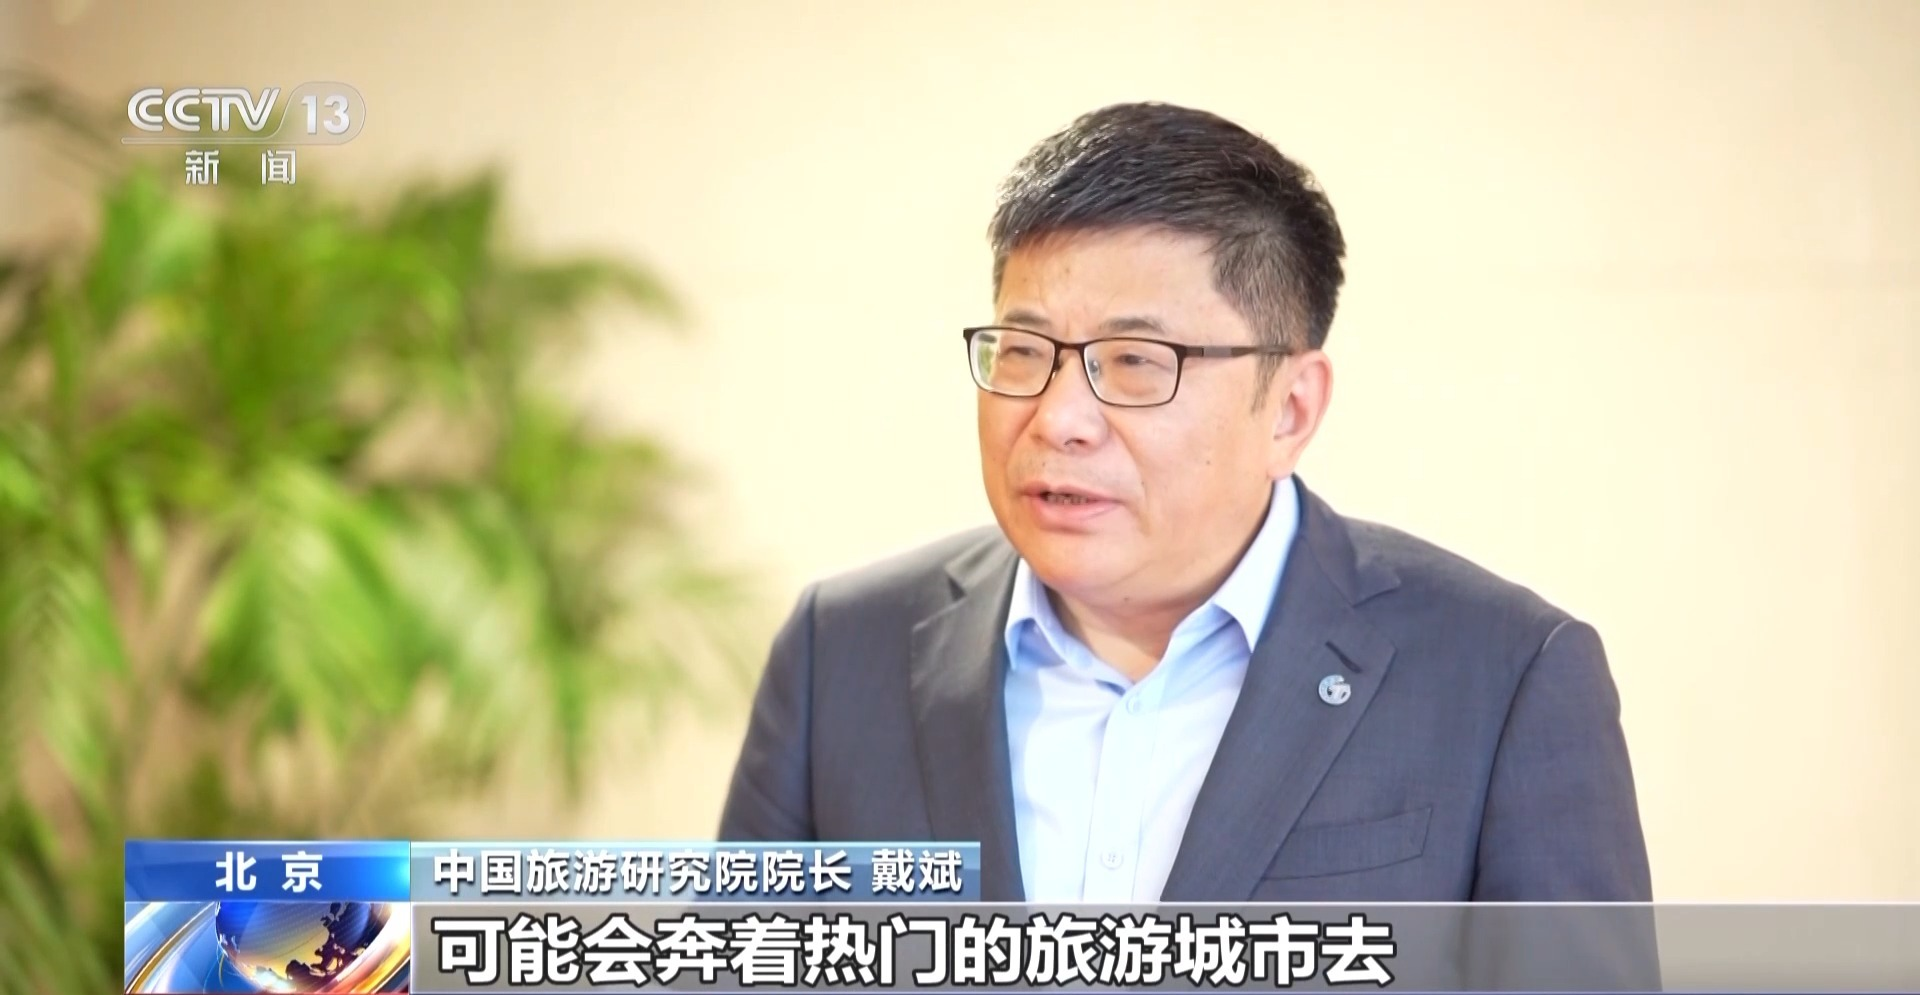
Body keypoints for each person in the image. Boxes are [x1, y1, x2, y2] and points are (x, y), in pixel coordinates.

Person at [718, 102, 1653, 907]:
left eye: (1135, 361)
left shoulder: (1504, 677)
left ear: (1290, 409)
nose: (1058, 418)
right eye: (1023, 350)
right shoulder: (843, 651)